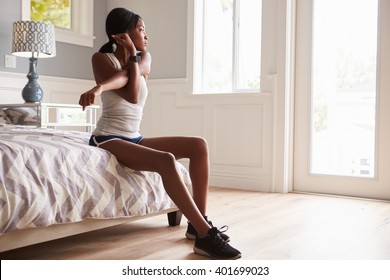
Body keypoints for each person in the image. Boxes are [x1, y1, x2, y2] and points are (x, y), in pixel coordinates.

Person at [79, 7, 241, 260]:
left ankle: (197, 223)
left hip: (134, 136)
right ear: (120, 34)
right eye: (141, 29)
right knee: (166, 159)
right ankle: (205, 235)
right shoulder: (101, 60)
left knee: (198, 145)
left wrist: (119, 66)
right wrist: (101, 87)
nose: (146, 35)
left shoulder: (144, 58)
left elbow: (127, 82)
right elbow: (130, 90)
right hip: (108, 138)